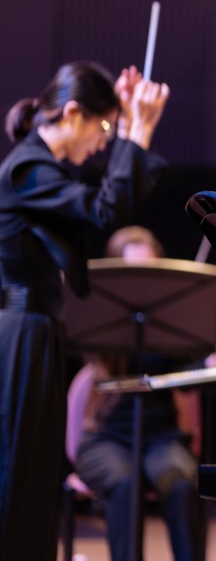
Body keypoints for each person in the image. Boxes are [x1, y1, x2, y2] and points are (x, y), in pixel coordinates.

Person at [0, 61, 168, 560]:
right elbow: (105, 209)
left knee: (34, 477)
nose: (103, 141)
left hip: (39, 331)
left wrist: (132, 128)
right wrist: (137, 132)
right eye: (104, 127)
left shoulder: (42, 169)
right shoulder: (28, 169)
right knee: (16, 472)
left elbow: (104, 203)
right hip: (22, 332)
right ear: (72, 113)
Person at [76, 226, 211, 561]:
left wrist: (214, 360)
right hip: (106, 438)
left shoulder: (171, 329)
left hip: (161, 438)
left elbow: (186, 378)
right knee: (125, 484)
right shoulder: (101, 325)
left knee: (182, 484)